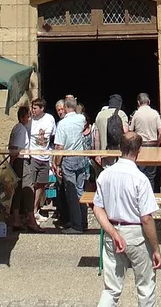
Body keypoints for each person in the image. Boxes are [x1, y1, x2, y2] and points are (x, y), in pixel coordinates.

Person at [92, 131, 161, 307]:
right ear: (138, 150)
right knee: (145, 286)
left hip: (113, 231)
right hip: (135, 233)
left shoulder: (105, 175)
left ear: (120, 148)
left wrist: (113, 233)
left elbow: (97, 207)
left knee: (111, 289)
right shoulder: (140, 179)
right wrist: (156, 248)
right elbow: (146, 218)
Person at [54, 96, 88, 233]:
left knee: (72, 193)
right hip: (80, 157)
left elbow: (59, 147)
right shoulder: (81, 119)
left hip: (68, 158)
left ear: (65, 108)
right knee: (80, 191)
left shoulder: (62, 124)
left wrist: (57, 164)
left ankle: (76, 225)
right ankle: (83, 221)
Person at [9, 105, 38, 232]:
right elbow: (16, 148)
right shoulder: (21, 129)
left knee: (18, 191)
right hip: (21, 161)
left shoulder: (17, 128)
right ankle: (31, 220)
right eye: (27, 116)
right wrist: (12, 163)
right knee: (28, 190)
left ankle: (17, 219)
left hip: (19, 161)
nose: (29, 119)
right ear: (22, 117)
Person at [29, 98, 56, 220]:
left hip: (45, 156)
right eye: (32, 108)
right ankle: (29, 212)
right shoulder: (30, 120)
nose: (33, 110)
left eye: (35, 108)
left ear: (42, 108)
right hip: (33, 156)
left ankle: (35, 210)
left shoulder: (50, 119)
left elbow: (53, 137)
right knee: (31, 184)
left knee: (42, 184)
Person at [130, 93, 161, 189]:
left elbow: (130, 132)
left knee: (140, 174)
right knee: (151, 176)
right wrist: (157, 143)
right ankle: (150, 194)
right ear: (149, 101)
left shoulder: (136, 114)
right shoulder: (155, 113)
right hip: (153, 146)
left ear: (138, 102)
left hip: (140, 146)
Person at [94, 94, 129, 165]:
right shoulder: (121, 113)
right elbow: (125, 131)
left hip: (104, 153)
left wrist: (97, 154)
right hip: (119, 152)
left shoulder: (100, 115)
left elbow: (96, 138)